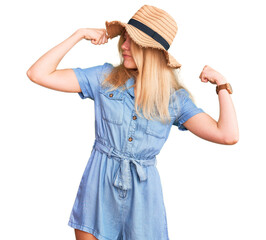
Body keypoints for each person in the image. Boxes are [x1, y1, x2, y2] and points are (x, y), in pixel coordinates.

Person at [26, 4, 239, 240]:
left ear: (151, 50)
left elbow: (227, 135)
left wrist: (222, 85)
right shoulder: (104, 78)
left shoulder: (174, 100)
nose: (123, 46)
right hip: (99, 187)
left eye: (132, 41)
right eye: (124, 39)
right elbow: (38, 74)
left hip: (144, 200)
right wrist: (78, 34)